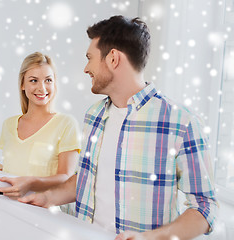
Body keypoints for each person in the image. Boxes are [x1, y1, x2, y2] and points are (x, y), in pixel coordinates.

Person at [19, 16, 218, 240]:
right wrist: (47, 198)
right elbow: (85, 180)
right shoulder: (94, 115)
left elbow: (204, 207)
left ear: (113, 58)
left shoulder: (181, 123)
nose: (86, 68)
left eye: (89, 58)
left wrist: (151, 238)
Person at [0, 52, 81, 201]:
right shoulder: (9, 124)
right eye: (34, 80)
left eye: (48, 80)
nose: (42, 88)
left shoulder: (66, 123)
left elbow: (66, 177)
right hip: (8, 208)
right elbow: (9, 169)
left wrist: (32, 183)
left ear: (54, 83)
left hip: (44, 211)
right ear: (22, 84)